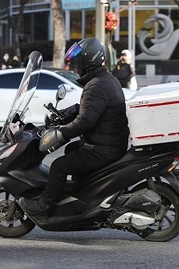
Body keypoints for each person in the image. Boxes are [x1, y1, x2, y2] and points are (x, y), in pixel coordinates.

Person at [18, 37, 130, 217]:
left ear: (89, 60)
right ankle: (84, 194)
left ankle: (46, 205)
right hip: (110, 143)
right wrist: (63, 115)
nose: (75, 66)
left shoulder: (96, 85)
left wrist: (60, 134)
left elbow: (85, 121)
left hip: (103, 149)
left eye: (78, 61)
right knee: (71, 149)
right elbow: (87, 110)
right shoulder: (104, 79)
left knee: (59, 167)